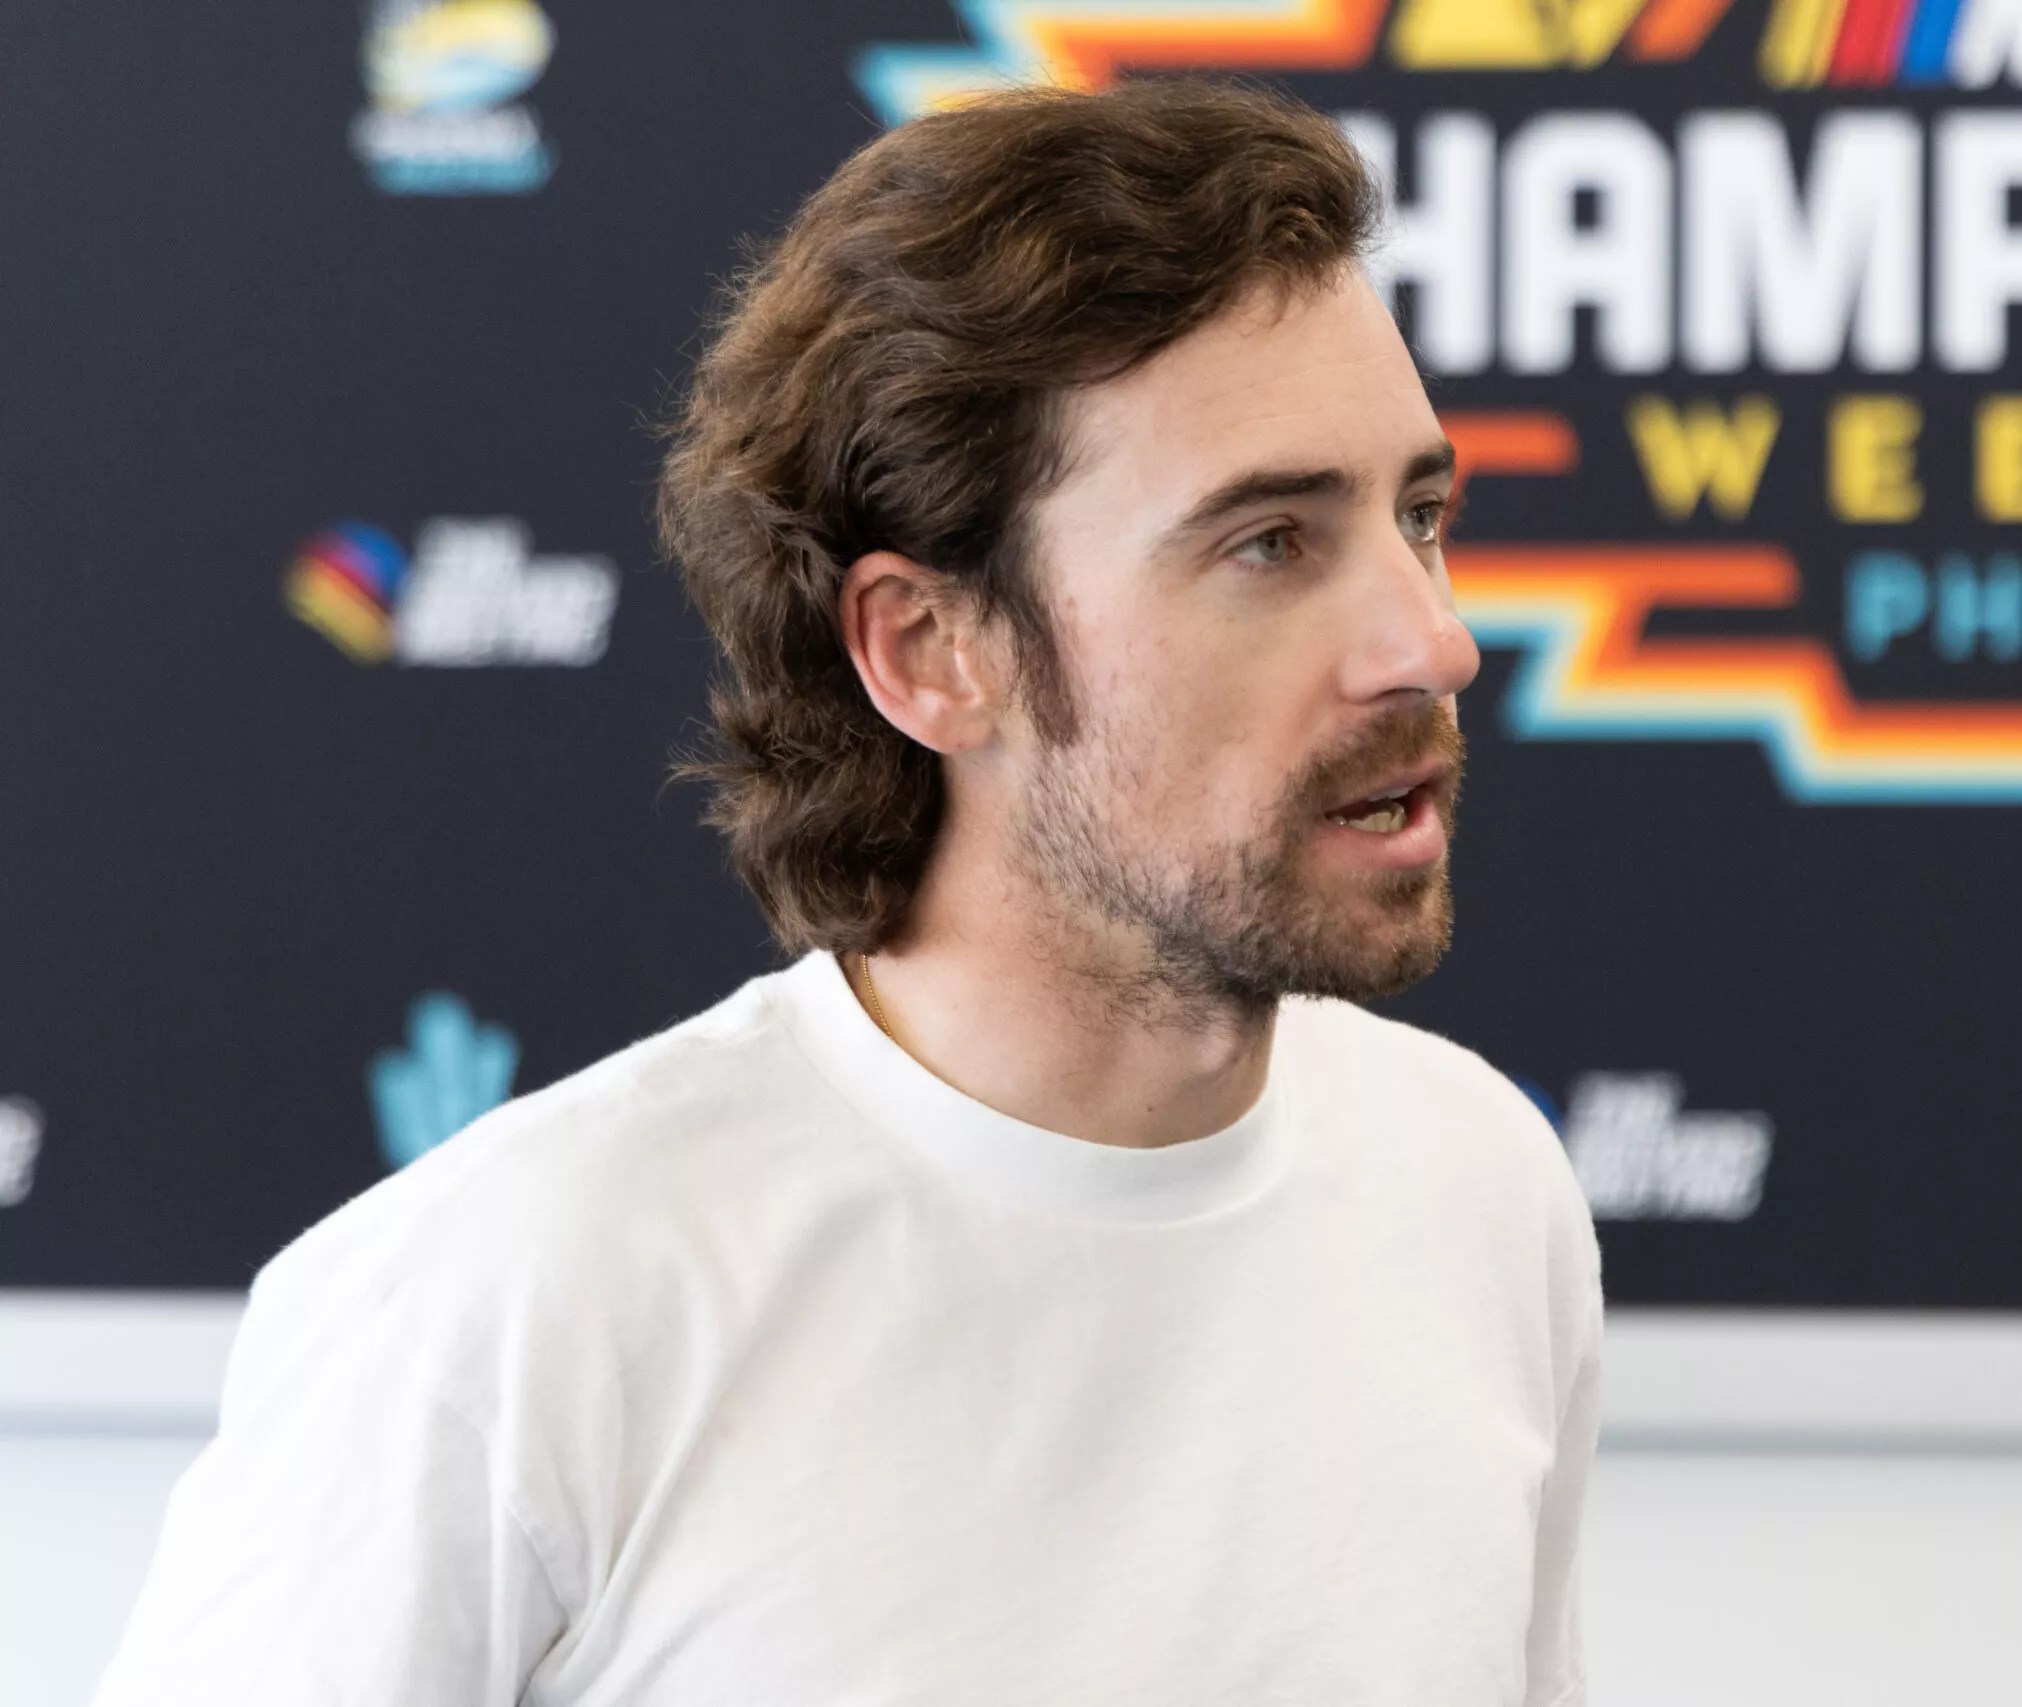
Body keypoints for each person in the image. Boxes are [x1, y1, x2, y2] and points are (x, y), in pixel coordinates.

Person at [93, 75, 1603, 1706]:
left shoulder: (1480, 1194)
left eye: (1421, 515)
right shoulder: (514, 1301)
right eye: (1268, 545)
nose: (1433, 641)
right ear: (930, 652)